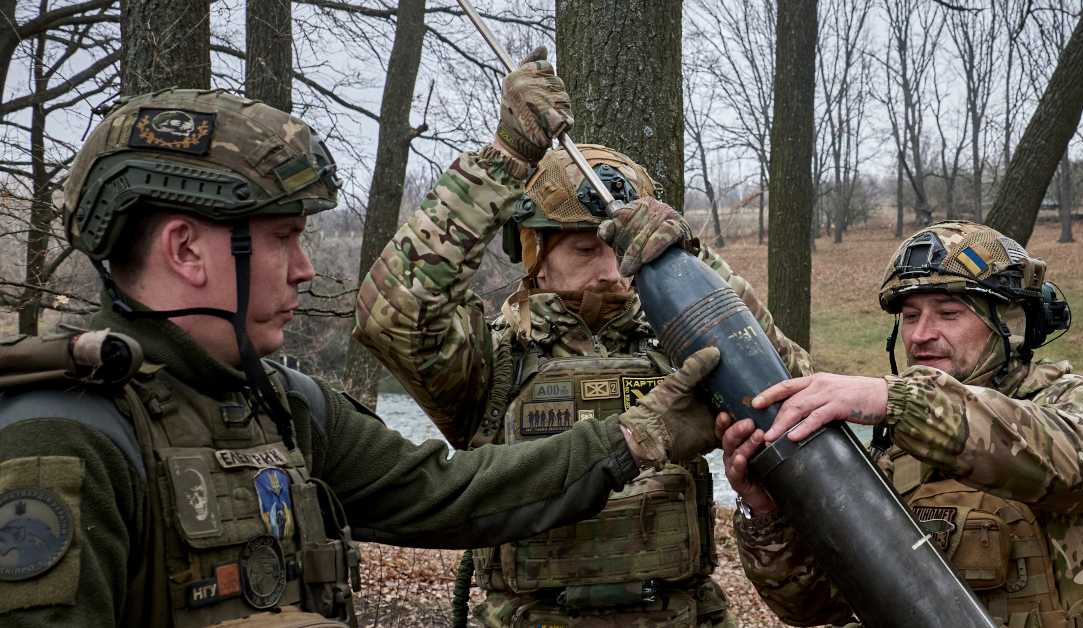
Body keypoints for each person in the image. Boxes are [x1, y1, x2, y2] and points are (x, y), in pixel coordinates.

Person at [0, 88, 725, 627]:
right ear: (185, 249)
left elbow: (454, 494)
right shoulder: (64, 437)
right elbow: (398, 316)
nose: (307, 267)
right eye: (284, 237)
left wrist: (634, 439)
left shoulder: (283, 407)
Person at [353, 48, 811, 627]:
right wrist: (503, 161)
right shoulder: (493, 361)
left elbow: (787, 385)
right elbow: (390, 316)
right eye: (584, 249)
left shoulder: (684, 348)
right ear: (536, 259)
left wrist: (688, 262)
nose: (610, 272)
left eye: (620, 251)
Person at [718, 220, 1083, 628]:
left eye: (948, 313)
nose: (920, 335)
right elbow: (816, 605)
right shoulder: (897, 453)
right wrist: (767, 511)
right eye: (910, 317)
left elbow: (1078, 464)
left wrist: (897, 398)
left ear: (1012, 323)